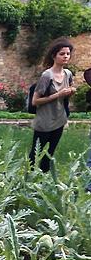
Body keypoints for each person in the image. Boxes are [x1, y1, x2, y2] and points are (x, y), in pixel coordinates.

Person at [29, 38, 76, 173]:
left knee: (49, 153)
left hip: (59, 119)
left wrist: (70, 92)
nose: (66, 56)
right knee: (35, 154)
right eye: (62, 54)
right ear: (54, 56)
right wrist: (59, 94)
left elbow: (66, 95)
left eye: (68, 53)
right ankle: (29, 180)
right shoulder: (46, 76)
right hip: (44, 121)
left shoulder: (68, 74)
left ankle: (43, 180)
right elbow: (35, 101)